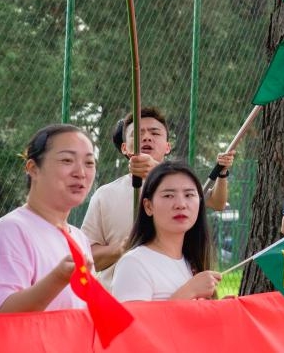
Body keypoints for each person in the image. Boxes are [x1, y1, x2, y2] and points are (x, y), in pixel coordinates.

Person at [81, 107, 235, 286]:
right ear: (124, 148)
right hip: (119, 303)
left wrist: (222, 174)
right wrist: (120, 249)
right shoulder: (105, 195)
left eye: (155, 133)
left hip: (177, 298)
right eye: (138, 134)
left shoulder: (182, 187)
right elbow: (87, 257)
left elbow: (217, 202)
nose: (146, 137)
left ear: (167, 146)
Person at [0, 124, 96, 313]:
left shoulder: (79, 238)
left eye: (89, 163)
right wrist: (57, 279)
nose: (80, 172)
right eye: (66, 160)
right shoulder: (9, 232)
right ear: (33, 168)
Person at [111, 161, 221, 301]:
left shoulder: (192, 262)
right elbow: (135, 322)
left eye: (189, 195)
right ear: (148, 206)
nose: (181, 204)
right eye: (168, 195)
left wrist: (217, 310)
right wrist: (189, 291)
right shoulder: (133, 264)